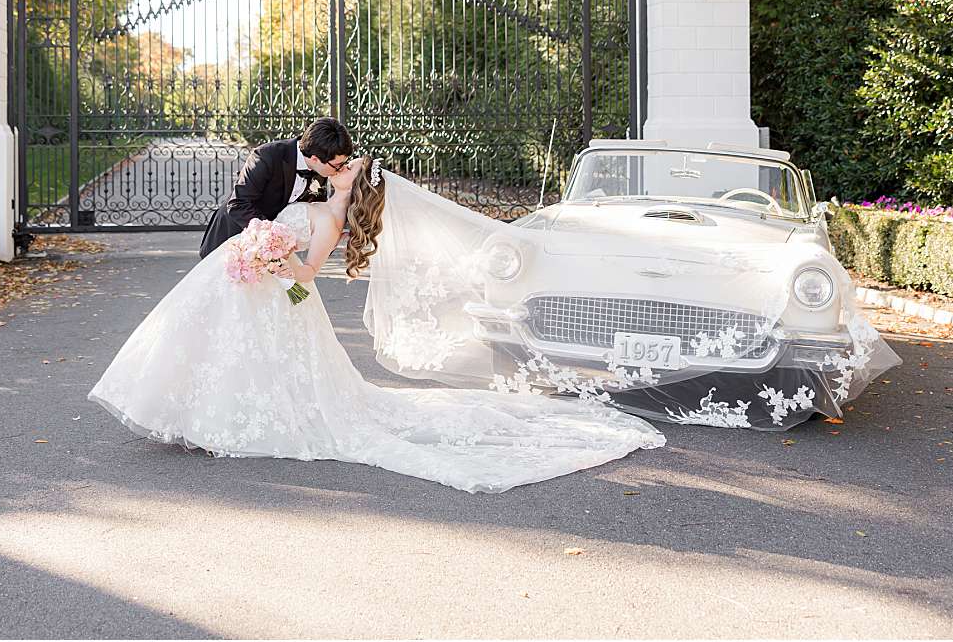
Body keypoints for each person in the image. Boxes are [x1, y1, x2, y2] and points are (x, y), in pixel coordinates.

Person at [88, 156, 666, 494]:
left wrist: (271, 253)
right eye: (339, 164)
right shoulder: (316, 198)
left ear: (353, 185)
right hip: (254, 285)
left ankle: (222, 427)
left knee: (265, 367)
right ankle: (203, 420)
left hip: (278, 287)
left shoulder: (333, 214)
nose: (336, 170)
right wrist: (262, 246)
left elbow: (307, 274)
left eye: (345, 170)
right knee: (229, 353)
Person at [197, 117, 353, 259]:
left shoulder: (321, 170)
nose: (341, 169)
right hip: (233, 238)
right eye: (338, 165)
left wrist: (330, 237)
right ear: (315, 159)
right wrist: (274, 237)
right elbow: (238, 204)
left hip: (271, 253)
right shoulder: (267, 156)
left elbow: (314, 219)